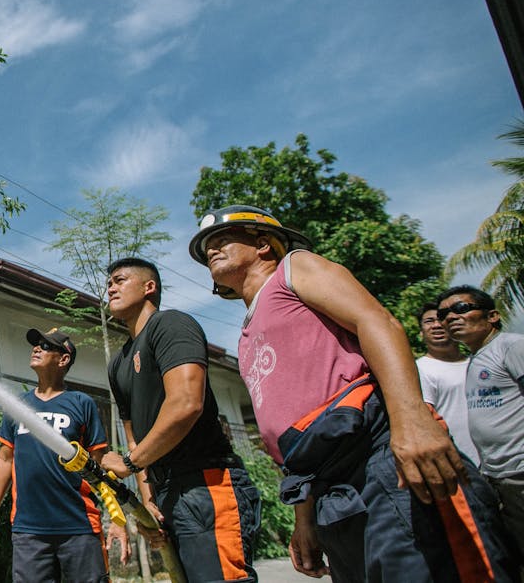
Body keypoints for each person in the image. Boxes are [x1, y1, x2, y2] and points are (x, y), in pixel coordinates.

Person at [189, 204, 516, 581]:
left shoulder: (295, 269)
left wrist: (413, 420)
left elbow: (376, 320)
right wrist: (304, 517)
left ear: (263, 244)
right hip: (329, 489)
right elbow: (289, 435)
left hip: (378, 459)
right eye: (207, 246)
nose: (210, 249)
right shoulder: (245, 338)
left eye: (222, 239)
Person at [97, 257, 260, 583]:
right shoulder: (119, 364)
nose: (110, 287)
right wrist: (148, 506)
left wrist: (130, 462)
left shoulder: (171, 325)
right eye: (108, 283)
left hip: (206, 484)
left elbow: (186, 404)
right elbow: (134, 439)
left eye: (119, 280)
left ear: (149, 287)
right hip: (167, 492)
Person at [0, 328, 111, 582]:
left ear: (64, 359)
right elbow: (5, 459)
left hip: (78, 525)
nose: (37, 348)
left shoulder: (82, 403)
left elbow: (100, 462)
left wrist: (118, 521)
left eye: (46, 346)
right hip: (29, 529)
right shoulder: (18, 405)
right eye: (36, 344)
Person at [438, 285, 524, 562]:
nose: (450, 317)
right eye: (443, 314)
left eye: (461, 308)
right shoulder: (475, 359)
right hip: (499, 476)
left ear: (493, 316)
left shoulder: (511, 346)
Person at [415, 301, 479, 464]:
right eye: (429, 321)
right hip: (459, 464)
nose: (436, 325)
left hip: (501, 464)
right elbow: (422, 422)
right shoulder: (418, 370)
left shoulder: (479, 363)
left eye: (441, 319)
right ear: (421, 333)